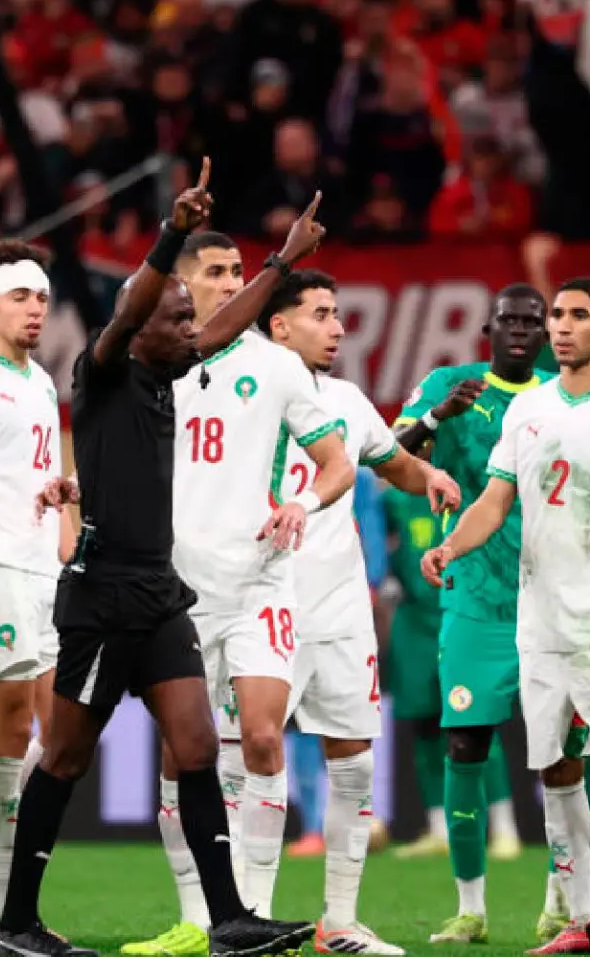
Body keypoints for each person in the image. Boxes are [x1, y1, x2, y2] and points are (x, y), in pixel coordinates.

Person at [0, 161, 322, 957]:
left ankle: (229, 919)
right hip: (101, 598)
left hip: (158, 595)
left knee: (199, 747)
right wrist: (172, 232)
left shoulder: (169, 372)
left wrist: (282, 262)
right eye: (175, 320)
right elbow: (144, 307)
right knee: (65, 758)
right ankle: (16, 922)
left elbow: (219, 328)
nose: (191, 333)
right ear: (139, 325)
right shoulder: (102, 372)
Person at [122, 232, 356, 957]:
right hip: (177, 590)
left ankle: (251, 909)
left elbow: (336, 464)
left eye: (236, 271)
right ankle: (197, 917)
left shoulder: (276, 366)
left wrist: (302, 506)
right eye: (216, 272)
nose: (231, 282)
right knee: (179, 755)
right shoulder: (158, 365)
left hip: (259, 582)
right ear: (182, 284)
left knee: (260, 736)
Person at [257, 270, 460, 955]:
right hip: (261, 601)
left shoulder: (346, 398)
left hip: (339, 607)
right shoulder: (241, 394)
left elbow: (391, 461)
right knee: (253, 755)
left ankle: (338, 922)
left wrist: (427, 474)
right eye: (321, 314)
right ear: (279, 325)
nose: (338, 327)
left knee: (352, 758)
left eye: (339, 314)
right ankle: (246, 915)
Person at [420, 278, 590, 957]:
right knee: (554, 767)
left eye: (580, 316)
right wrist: (449, 545)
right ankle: (578, 917)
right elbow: (494, 499)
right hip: (538, 616)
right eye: (562, 315)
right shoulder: (530, 412)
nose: (565, 326)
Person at [394, 283, 555, 944]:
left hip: (553, 597)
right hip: (474, 596)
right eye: (508, 320)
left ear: (544, 333)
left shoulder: (558, 396)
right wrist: (436, 418)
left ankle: (566, 902)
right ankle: (471, 908)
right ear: (488, 328)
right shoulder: (450, 383)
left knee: (568, 755)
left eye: (532, 321)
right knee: (464, 740)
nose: (519, 330)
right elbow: (393, 454)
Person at [0, 240, 75, 939]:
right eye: (23, 298)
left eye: (43, 300)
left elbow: (47, 477)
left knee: (61, 739)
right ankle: (5, 917)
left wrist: (63, 514)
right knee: (12, 728)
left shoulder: (40, 382)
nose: (36, 311)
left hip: (40, 574)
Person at [382, 484, 450, 859]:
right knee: (425, 726)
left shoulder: (466, 488)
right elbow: (378, 543)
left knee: (474, 726)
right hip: (414, 619)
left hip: (458, 612)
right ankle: (438, 826)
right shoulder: (392, 499)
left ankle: (502, 826)